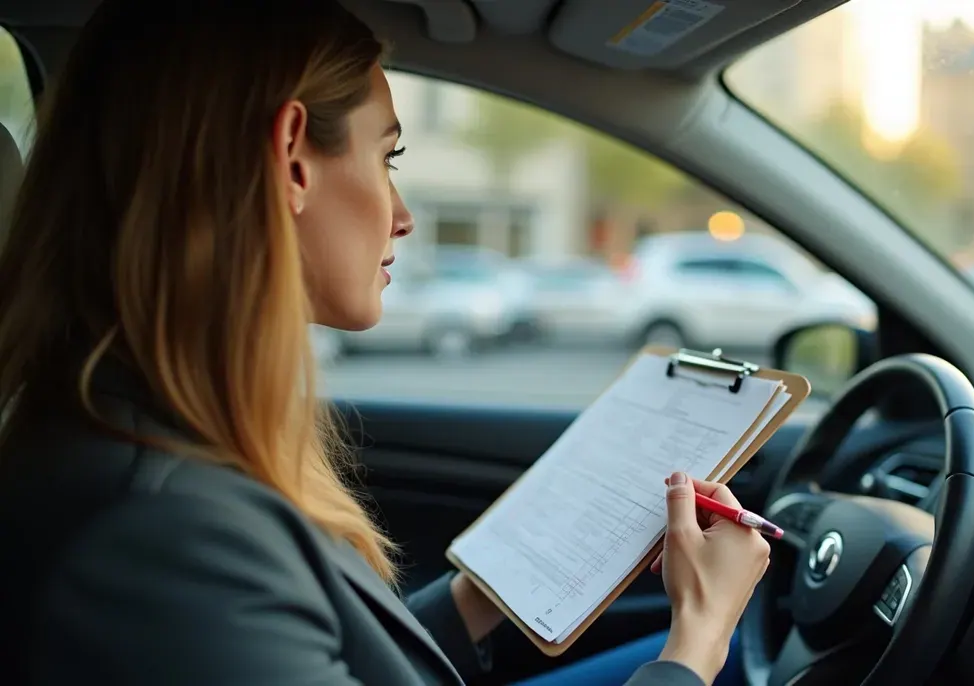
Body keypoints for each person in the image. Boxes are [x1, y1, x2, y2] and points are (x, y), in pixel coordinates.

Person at [0, 0, 771, 684]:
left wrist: (497, 584)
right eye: (386, 156)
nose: (403, 215)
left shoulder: (146, 434)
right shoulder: (159, 535)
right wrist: (695, 645)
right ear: (293, 157)